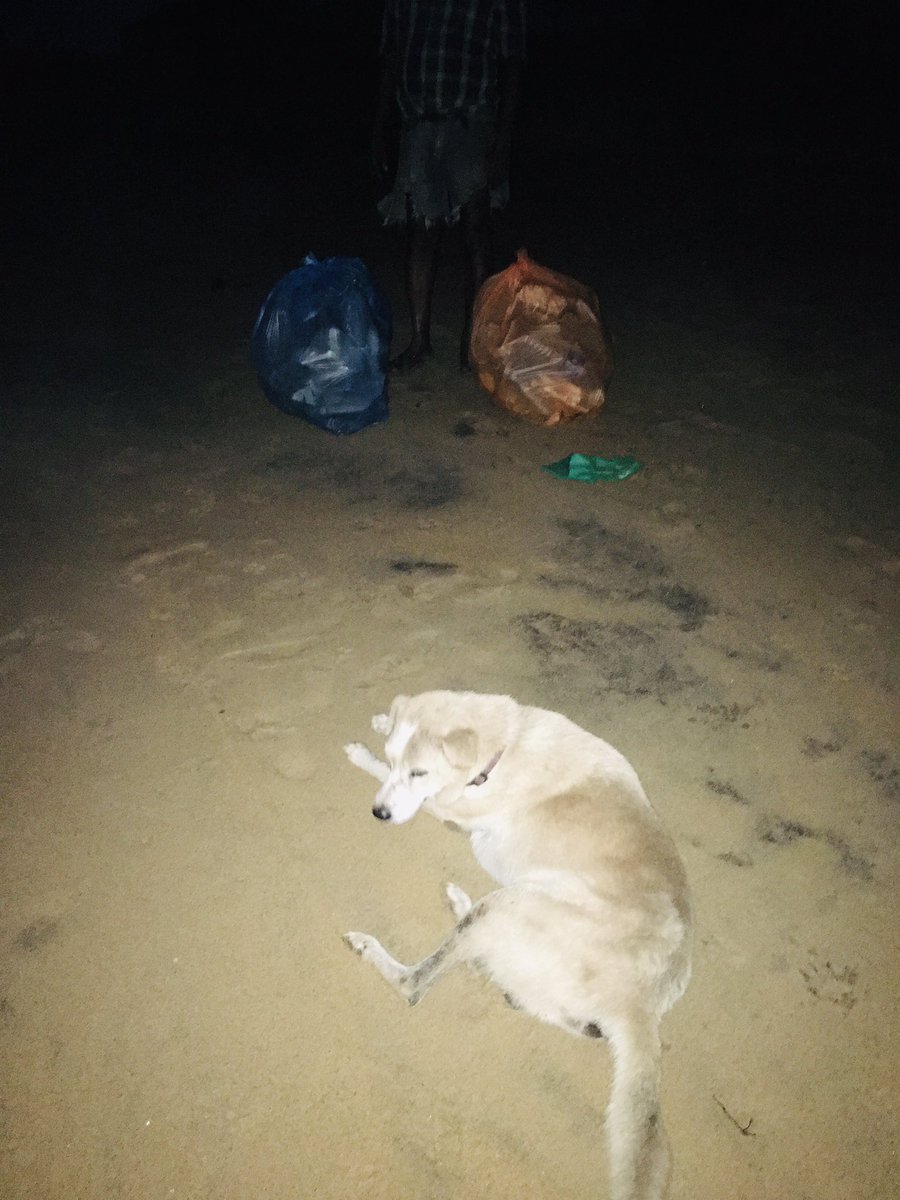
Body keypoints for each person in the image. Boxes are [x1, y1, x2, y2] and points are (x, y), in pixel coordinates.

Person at [372, 0, 526, 370]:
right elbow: (393, 54)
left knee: (477, 231)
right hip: (418, 123)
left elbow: (514, 61)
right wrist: (379, 127)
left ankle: (474, 343)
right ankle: (419, 341)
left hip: (472, 120)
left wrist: (504, 137)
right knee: (421, 233)